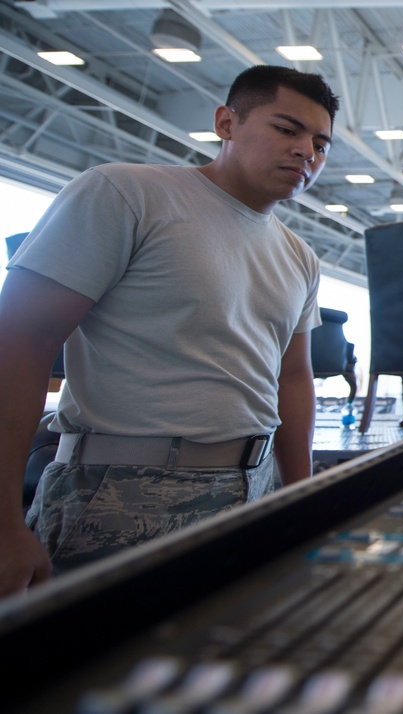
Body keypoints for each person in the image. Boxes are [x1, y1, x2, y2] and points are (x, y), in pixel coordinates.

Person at [0, 65, 339, 596]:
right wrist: (3, 524)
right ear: (226, 123)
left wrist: (302, 499)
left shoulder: (300, 256)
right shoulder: (126, 194)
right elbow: (19, 342)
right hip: (120, 493)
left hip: (251, 489)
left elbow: (293, 379)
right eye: (286, 129)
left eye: (321, 144)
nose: (307, 152)